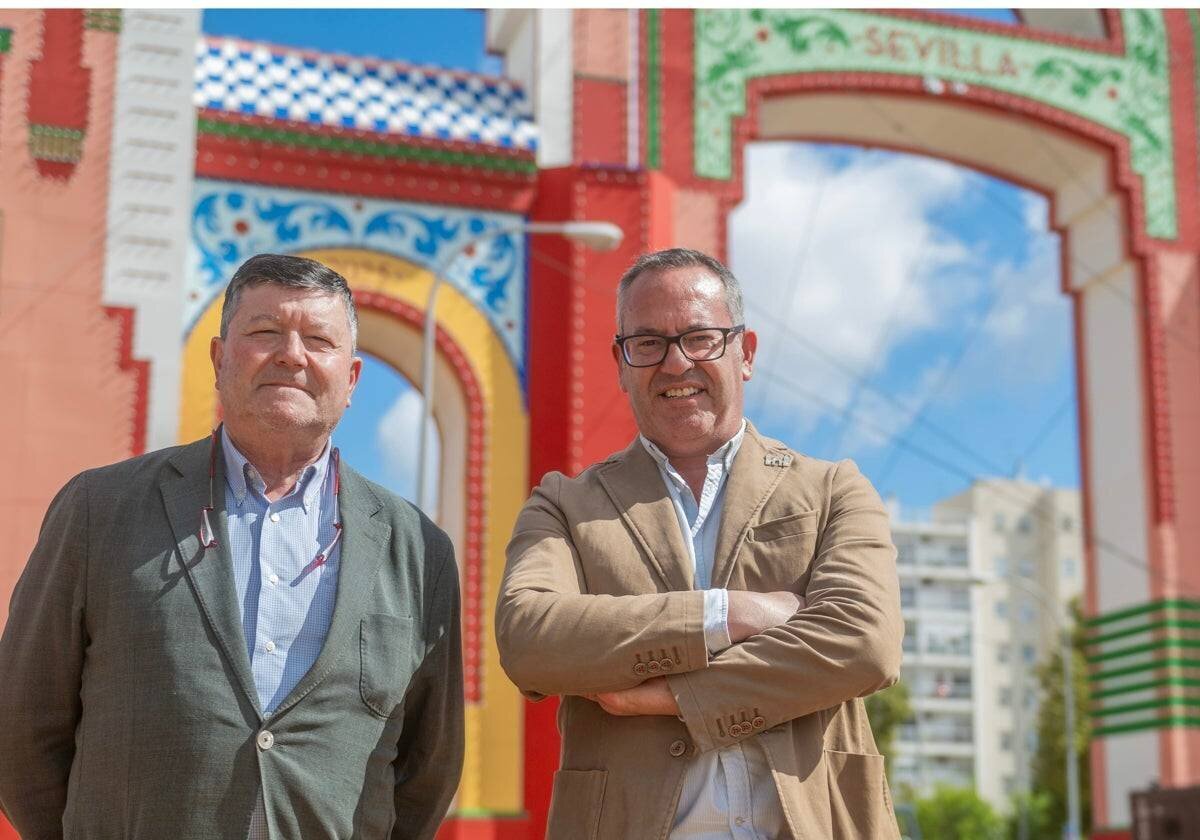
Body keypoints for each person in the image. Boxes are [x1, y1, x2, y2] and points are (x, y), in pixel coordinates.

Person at [0, 253, 464, 840]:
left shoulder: (418, 550)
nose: (291, 355)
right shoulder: (100, 509)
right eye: (264, 333)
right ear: (220, 359)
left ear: (350, 381)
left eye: (318, 340)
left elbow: (427, 769)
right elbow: (22, 728)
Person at [497, 248, 903, 839]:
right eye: (648, 343)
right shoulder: (564, 505)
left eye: (700, 338)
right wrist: (728, 614)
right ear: (620, 362)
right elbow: (531, 639)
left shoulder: (832, 488)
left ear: (747, 353)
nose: (675, 362)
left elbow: (865, 644)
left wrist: (670, 698)